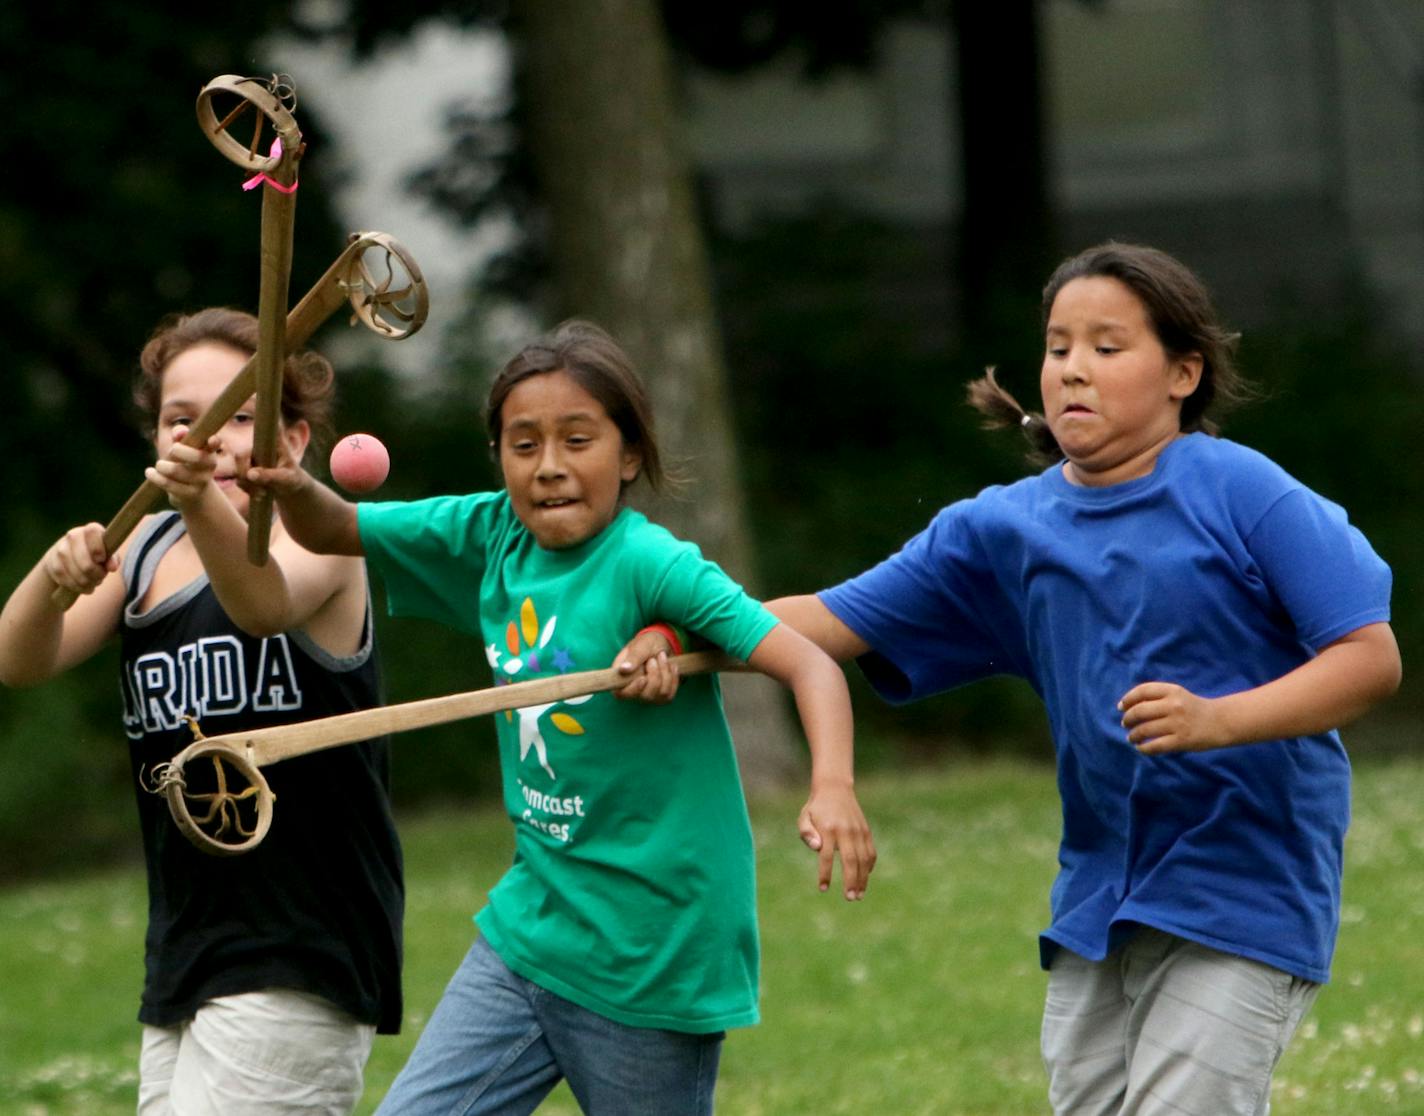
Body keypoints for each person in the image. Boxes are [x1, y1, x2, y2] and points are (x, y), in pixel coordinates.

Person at [621, 242, 1401, 1116]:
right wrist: (668, 626)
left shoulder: (1241, 490)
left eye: (1108, 348)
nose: (1075, 370)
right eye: (1060, 346)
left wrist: (1221, 720)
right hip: (1101, 891)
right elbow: (825, 621)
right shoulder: (1001, 527)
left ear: (1183, 373)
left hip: (1246, 883)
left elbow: (1369, 657)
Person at [237, 317, 876, 1115]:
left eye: (579, 440)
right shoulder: (491, 533)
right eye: (524, 444)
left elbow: (807, 661)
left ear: (630, 453)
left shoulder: (651, 563)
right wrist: (291, 486)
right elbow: (336, 528)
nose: (549, 467)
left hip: (651, 952)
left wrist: (833, 784)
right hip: (532, 930)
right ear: (500, 457)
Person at [0, 308, 404, 1115]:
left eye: (239, 417)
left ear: (292, 443)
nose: (208, 436)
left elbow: (261, 603)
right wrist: (53, 579)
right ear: (157, 438)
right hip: (188, 948)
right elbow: (19, 659)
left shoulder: (315, 541)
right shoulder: (142, 551)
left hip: (303, 943)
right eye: (183, 419)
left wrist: (198, 506)